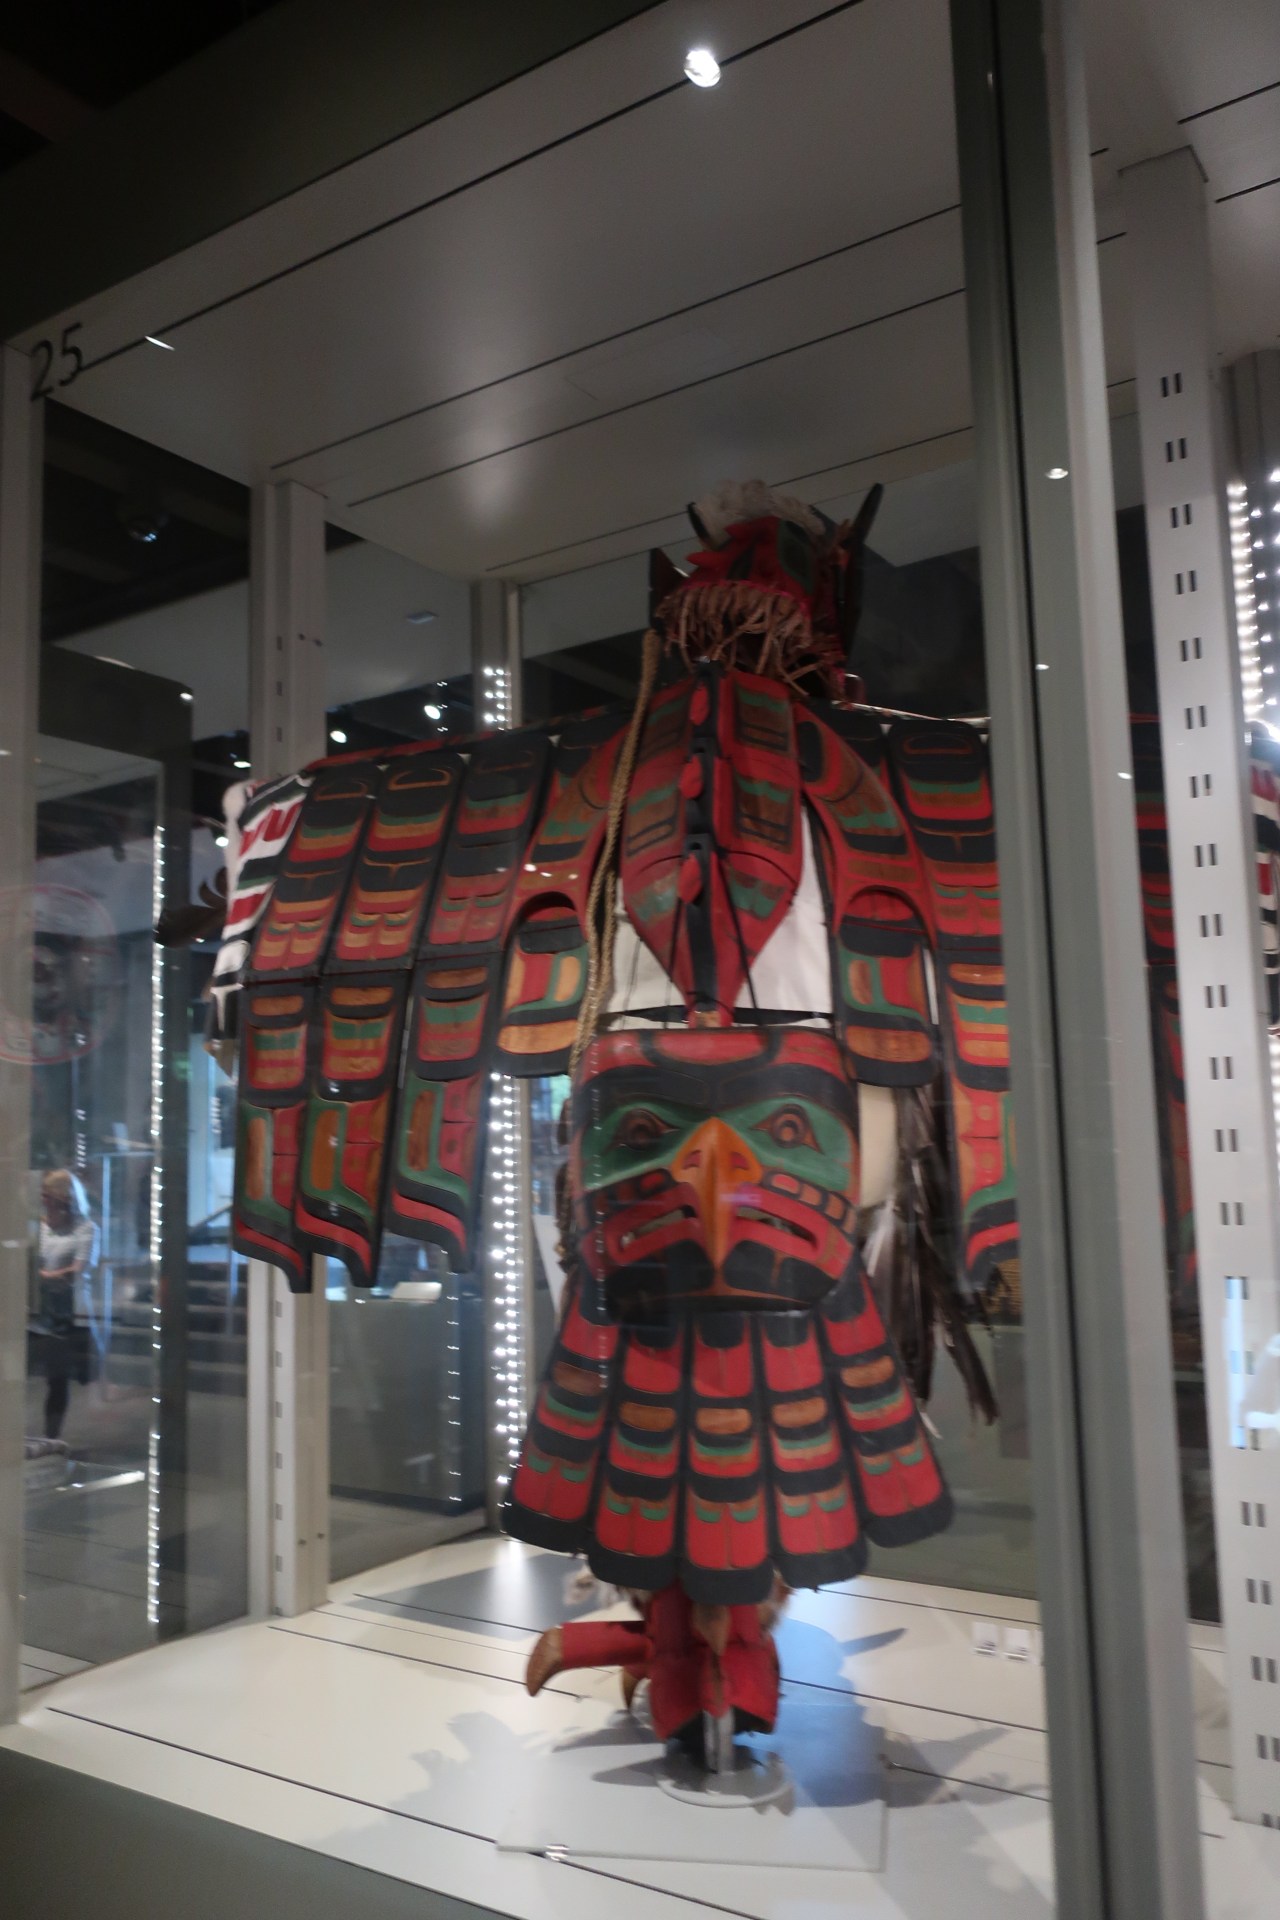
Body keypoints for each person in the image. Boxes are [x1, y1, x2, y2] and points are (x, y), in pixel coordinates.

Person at [37, 1169, 99, 1441]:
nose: (43, 1200)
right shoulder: (41, 1226)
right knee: (48, 1375)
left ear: (64, 1198)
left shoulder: (86, 1228)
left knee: (59, 1377)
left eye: (48, 1195)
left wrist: (42, 1276)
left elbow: (78, 1270)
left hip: (69, 1311)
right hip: (42, 1308)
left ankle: (52, 1436)